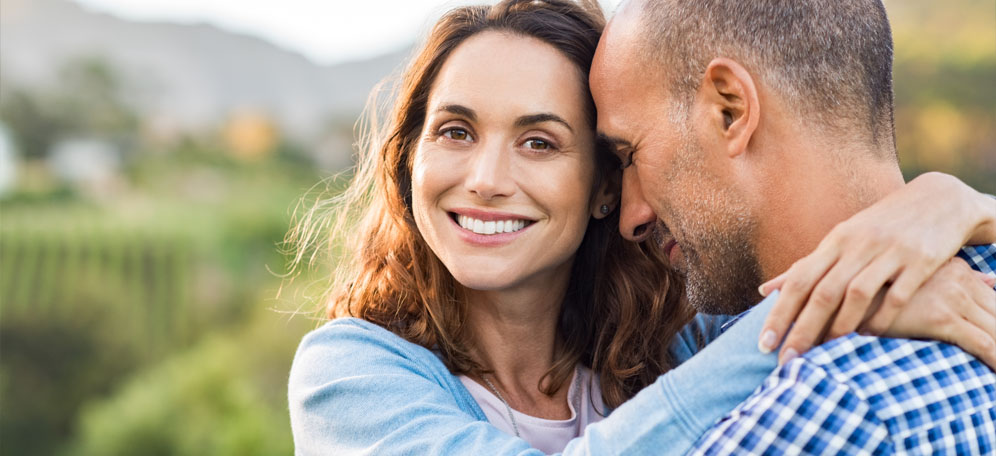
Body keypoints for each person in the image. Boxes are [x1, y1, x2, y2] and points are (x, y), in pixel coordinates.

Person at [287, 0, 996, 454]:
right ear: (410, 156)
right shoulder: (350, 376)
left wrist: (941, 205)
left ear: (602, 186)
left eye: (539, 142)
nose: (485, 178)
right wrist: (835, 292)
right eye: (454, 131)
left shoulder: (669, 338)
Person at [589, 0, 996, 453]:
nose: (631, 219)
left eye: (629, 156)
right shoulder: (982, 258)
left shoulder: (815, 410)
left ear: (730, 109)